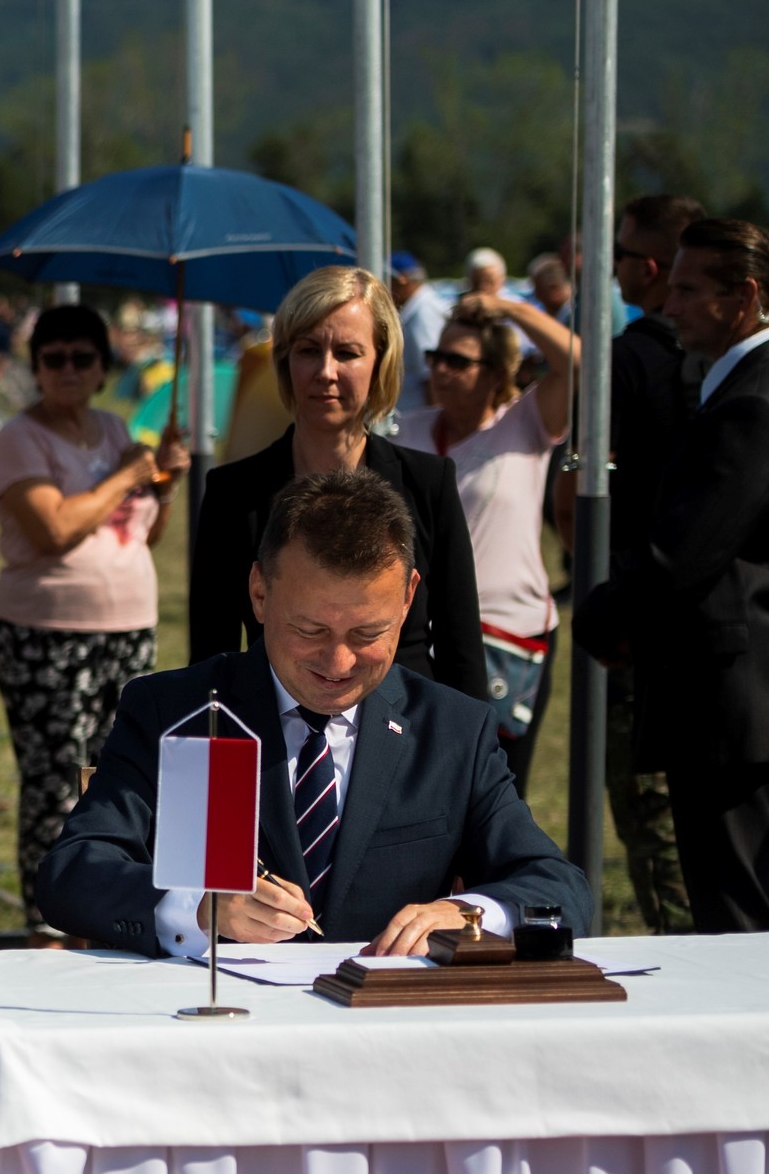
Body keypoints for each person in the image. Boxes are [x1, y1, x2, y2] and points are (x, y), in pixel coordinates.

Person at [39, 471, 588, 955]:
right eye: (310, 630)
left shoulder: (451, 730)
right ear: (259, 593)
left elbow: (559, 887)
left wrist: (468, 915)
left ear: (407, 599)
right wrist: (198, 910)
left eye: (368, 634)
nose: (338, 661)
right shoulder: (176, 712)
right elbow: (74, 873)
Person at [578, 218, 769, 932]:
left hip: (733, 704)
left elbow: (684, 557)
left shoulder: (752, 401)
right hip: (753, 697)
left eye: (689, 289)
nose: (671, 304)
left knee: (740, 923)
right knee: (753, 912)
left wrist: (602, 617)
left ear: (743, 297)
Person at [0, 302, 189, 941]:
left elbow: (142, 538)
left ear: (103, 367)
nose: (68, 370)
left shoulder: (111, 426)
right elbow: (53, 530)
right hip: (47, 633)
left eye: (82, 358)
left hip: (128, 629)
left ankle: (109, 913)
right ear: (37, 366)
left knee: (119, 782)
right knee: (54, 785)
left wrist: (166, 488)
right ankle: (48, 924)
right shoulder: (21, 437)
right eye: (54, 359)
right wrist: (130, 473)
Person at [190, 265, 488, 700]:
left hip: (405, 740)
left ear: (380, 361)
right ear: (285, 359)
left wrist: (469, 758)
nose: (325, 372)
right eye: (309, 350)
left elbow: (462, 651)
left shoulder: (428, 485)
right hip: (277, 742)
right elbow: (210, 662)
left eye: (347, 353)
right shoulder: (234, 494)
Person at [393, 292, 578, 790]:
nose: (440, 370)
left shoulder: (525, 423)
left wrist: (508, 308)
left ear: (496, 373)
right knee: (424, 784)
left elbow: (579, 364)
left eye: (458, 361)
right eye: (436, 357)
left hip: (507, 635)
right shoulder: (403, 433)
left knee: (495, 786)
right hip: (420, 636)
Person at [599, 194, 705, 931]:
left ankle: (680, 931)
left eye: (623, 256)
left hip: (643, 607)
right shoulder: (728, 364)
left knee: (647, 802)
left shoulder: (633, 356)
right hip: (707, 613)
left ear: (654, 266)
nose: (614, 270)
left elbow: (594, 488)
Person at [391, 250, 451, 412]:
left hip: (419, 414)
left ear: (402, 280)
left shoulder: (423, 313)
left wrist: (433, 421)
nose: (386, 287)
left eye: (388, 280)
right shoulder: (419, 308)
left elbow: (430, 374)